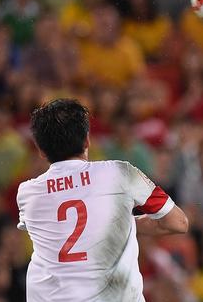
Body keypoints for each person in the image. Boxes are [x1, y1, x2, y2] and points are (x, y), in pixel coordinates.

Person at [16, 98, 188, 301]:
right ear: (87, 140)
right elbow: (178, 222)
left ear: (41, 151)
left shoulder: (28, 193)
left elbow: (65, 228)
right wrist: (124, 223)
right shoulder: (120, 172)